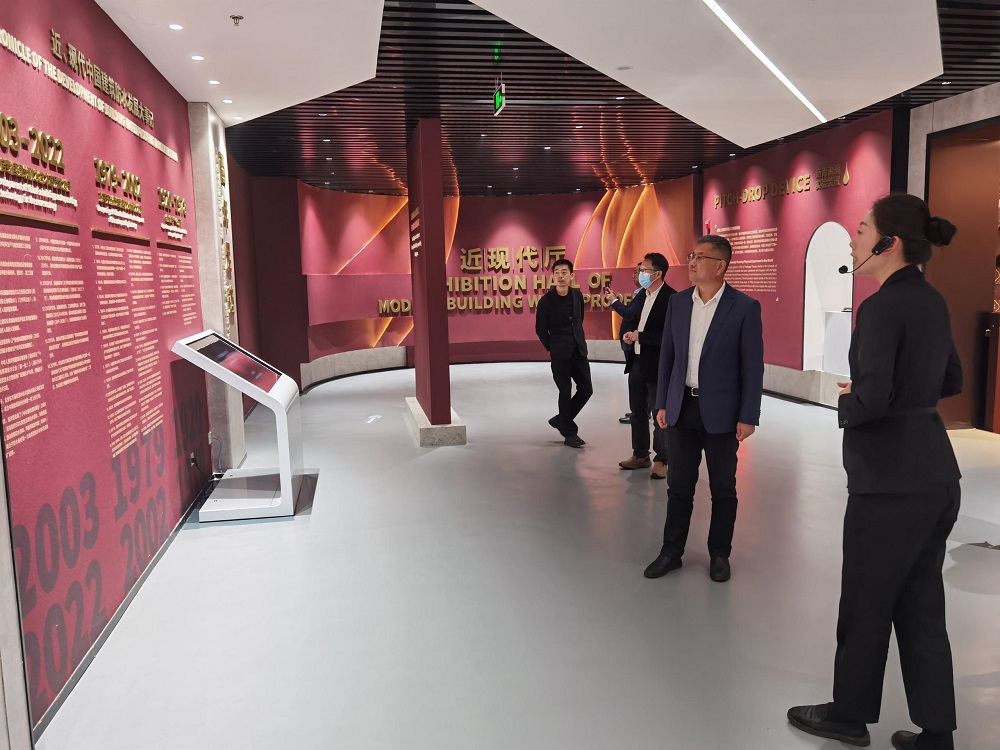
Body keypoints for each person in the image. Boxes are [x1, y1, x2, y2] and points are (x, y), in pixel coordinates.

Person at [787, 195, 962, 750]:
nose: (853, 238)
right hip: (935, 473)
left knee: (866, 601)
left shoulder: (881, 308)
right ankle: (936, 730)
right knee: (921, 603)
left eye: (861, 230)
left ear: (889, 243)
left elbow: (874, 400)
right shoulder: (932, 300)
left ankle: (848, 714)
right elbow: (951, 380)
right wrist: (883, 391)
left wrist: (851, 398)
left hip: (888, 480)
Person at [644, 235, 763, 582]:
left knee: (723, 488)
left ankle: (719, 553)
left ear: (720, 266)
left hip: (722, 413)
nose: (692, 262)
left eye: (700, 257)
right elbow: (668, 356)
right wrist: (663, 402)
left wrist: (748, 415)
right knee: (679, 485)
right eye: (691, 256)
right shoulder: (679, 303)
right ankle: (671, 551)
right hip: (681, 407)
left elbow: (752, 366)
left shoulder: (744, 307)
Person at [606, 253, 675, 478]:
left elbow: (669, 335)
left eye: (644, 270)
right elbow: (632, 318)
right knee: (637, 411)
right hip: (636, 361)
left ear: (658, 274)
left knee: (659, 413)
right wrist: (630, 336)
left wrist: (641, 337)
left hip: (657, 365)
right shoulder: (642, 296)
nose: (640, 274)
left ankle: (662, 459)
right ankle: (640, 454)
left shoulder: (671, 298)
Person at [535, 258, 593, 448]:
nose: (560, 276)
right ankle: (570, 433)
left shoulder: (577, 296)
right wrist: (553, 347)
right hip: (560, 354)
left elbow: (578, 320)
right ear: (553, 276)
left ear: (571, 275)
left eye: (564, 272)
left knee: (586, 389)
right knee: (565, 391)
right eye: (557, 272)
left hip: (579, 350)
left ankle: (562, 419)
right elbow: (540, 329)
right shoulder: (546, 302)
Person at [614, 263, 644, 425]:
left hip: (636, 343)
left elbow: (629, 314)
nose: (634, 275)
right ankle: (639, 411)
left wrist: (614, 301)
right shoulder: (640, 293)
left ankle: (639, 412)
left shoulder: (644, 294)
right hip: (631, 340)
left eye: (638, 272)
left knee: (637, 381)